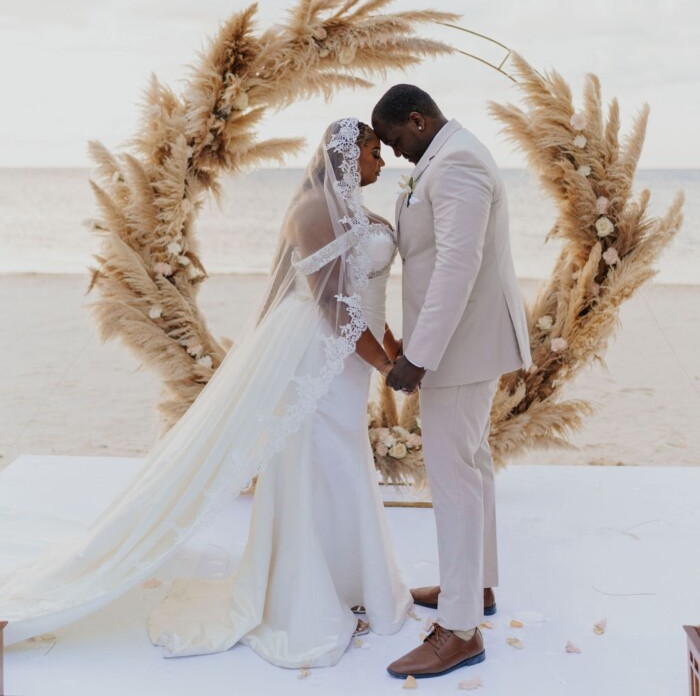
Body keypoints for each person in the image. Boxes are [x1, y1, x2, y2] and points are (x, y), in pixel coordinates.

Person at [0, 118, 412, 669]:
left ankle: (351, 577)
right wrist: (387, 365)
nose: (381, 164)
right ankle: (303, 591)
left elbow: (369, 295)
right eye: (373, 154)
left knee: (341, 461)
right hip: (316, 352)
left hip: (348, 358)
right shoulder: (313, 210)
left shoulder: (357, 211)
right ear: (347, 156)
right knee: (314, 460)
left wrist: (393, 351)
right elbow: (336, 305)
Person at [372, 85, 532, 679]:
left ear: (418, 120)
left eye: (395, 141)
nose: (395, 155)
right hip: (465, 343)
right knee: (472, 461)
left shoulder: (458, 160)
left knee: (453, 474)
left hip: (458, 348)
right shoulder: (446, 154)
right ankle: (479, 586)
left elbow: (457, 263)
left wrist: (418, 355)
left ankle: (461, 631)